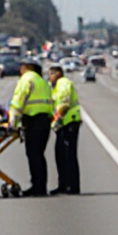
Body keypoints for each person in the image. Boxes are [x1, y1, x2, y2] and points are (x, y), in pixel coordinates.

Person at [8, 59, 53, 196]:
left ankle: (37, 187)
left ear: (25, 68)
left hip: (33, 119)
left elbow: (18, 101)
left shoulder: (26, 79)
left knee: (33, 154)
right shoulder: (42, 81)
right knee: (39, 154)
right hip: (45, 120)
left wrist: (12, 123)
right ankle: (41, 186)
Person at [47, 64, 82, 195]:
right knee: (60, 154)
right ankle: (63, 184)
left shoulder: (63, 83)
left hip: (69, 123)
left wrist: (57, 120)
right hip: (63, 124)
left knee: (69, 155)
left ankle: (73, 186)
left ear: (57, 73)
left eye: (50, 74)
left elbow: (64, 103)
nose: (49, 78)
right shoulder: (56, 87)